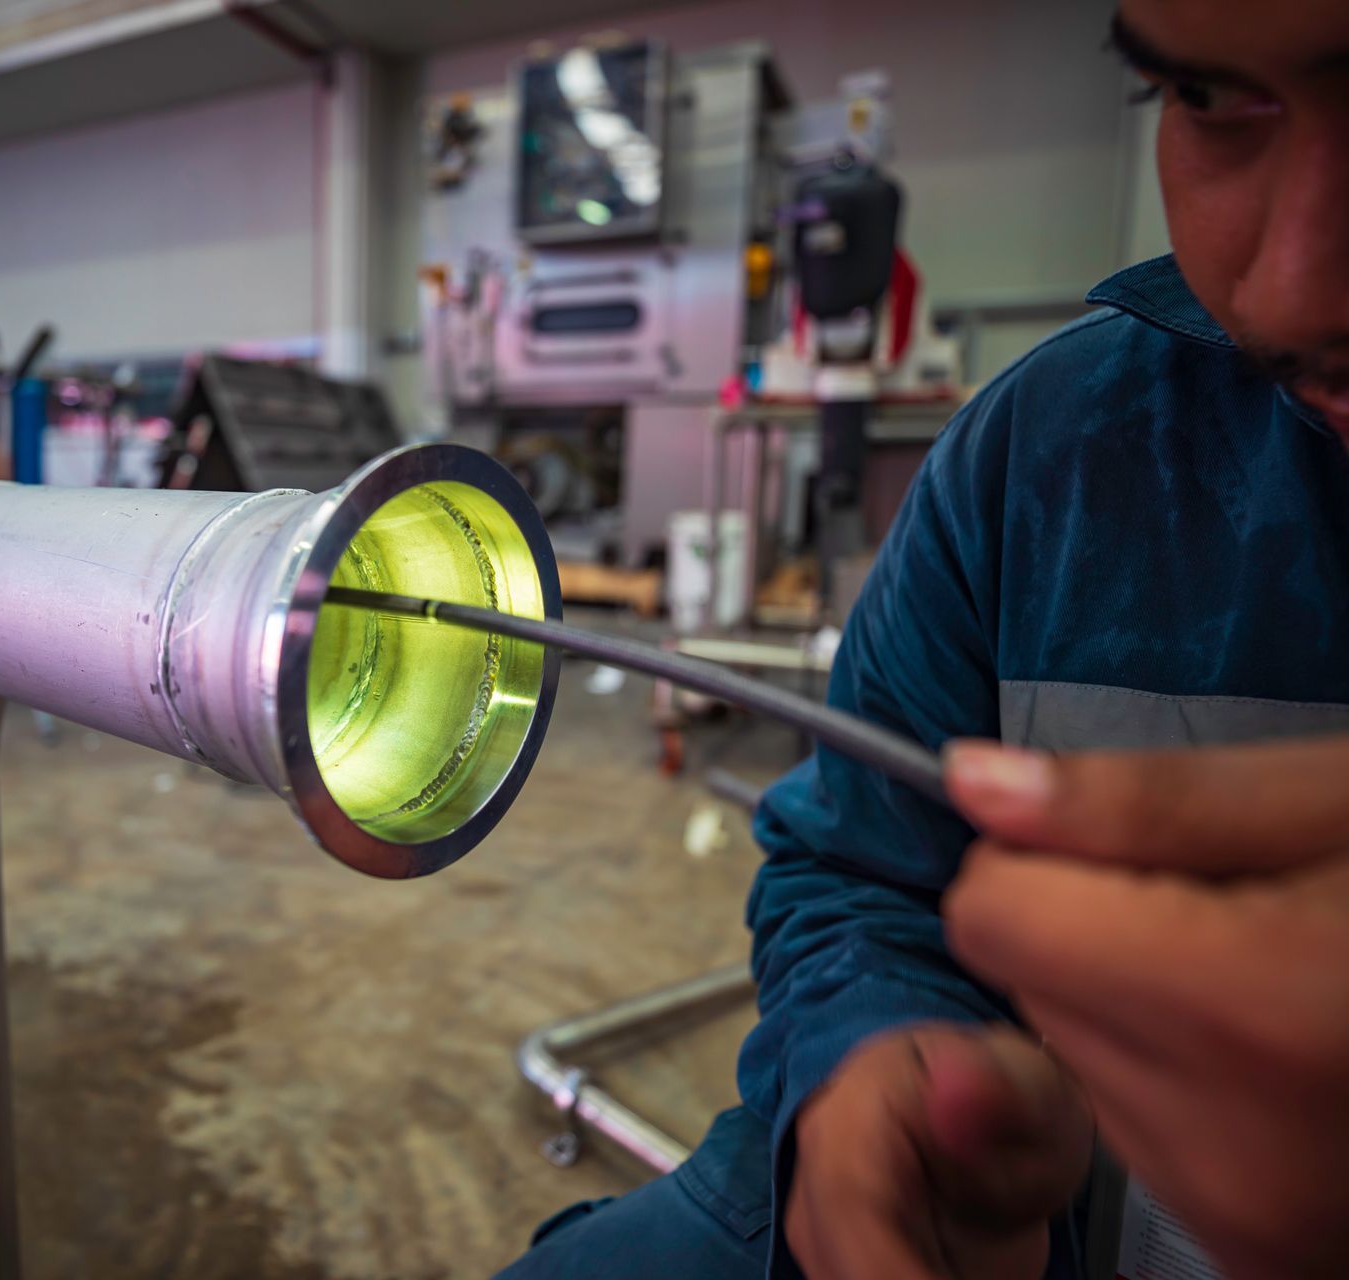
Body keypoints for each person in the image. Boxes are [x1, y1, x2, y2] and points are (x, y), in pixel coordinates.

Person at [499, 1, 1349, 1277]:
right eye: (1212, 102)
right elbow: (861, 871)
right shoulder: (1045, 455)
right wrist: (872, 1065)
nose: (1290, 289)